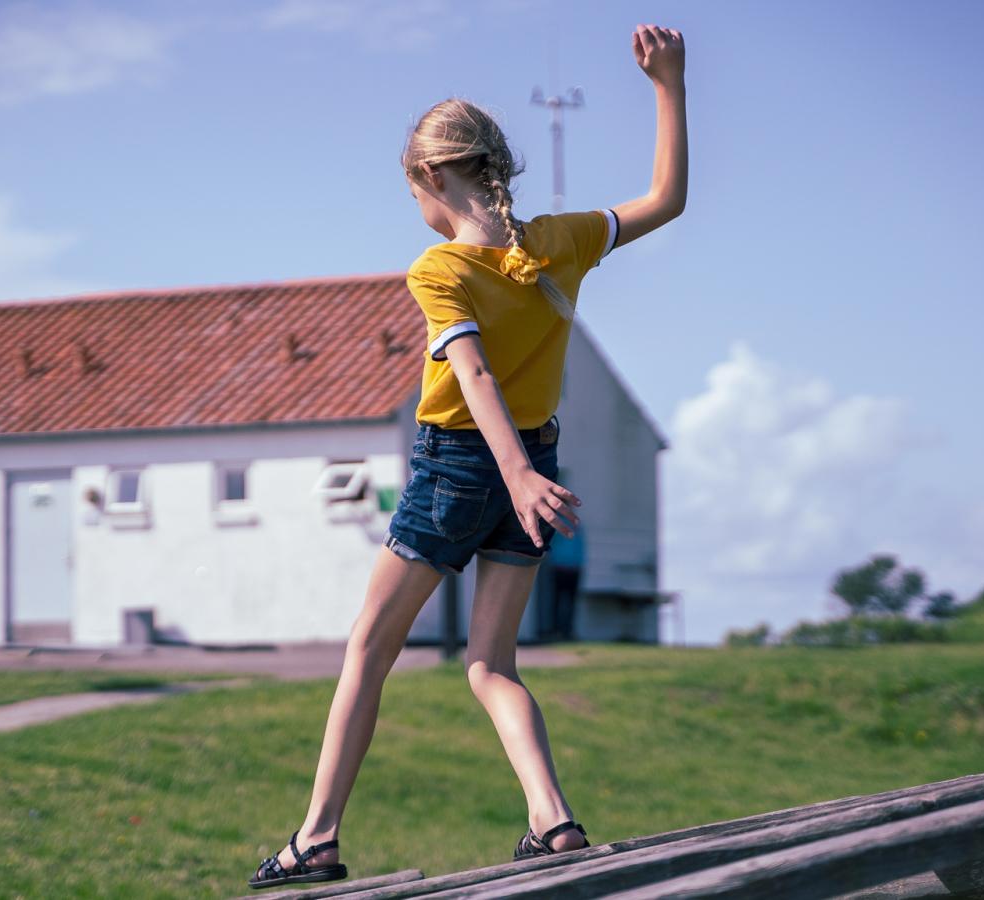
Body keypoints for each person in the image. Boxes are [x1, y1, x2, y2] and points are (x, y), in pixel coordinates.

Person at [249, 23, 687, 890]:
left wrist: (512, 476)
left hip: (461, 469)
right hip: (536, 465)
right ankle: (552, 819)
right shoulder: (558, 241)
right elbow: (666, 199)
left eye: (410, 188)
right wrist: (668, 84)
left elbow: (473, 372)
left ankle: (316, 839)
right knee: (491, 665)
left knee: (369, 648)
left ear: (431, 178)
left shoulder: (438, 267)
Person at [546, 516, 585, 642]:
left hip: (574, 568)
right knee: (557, 601)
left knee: (571, 602)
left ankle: (568, 631)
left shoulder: (577, 525)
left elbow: (581, 546)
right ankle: (556, 630)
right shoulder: (556, 523)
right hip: (560, 567)